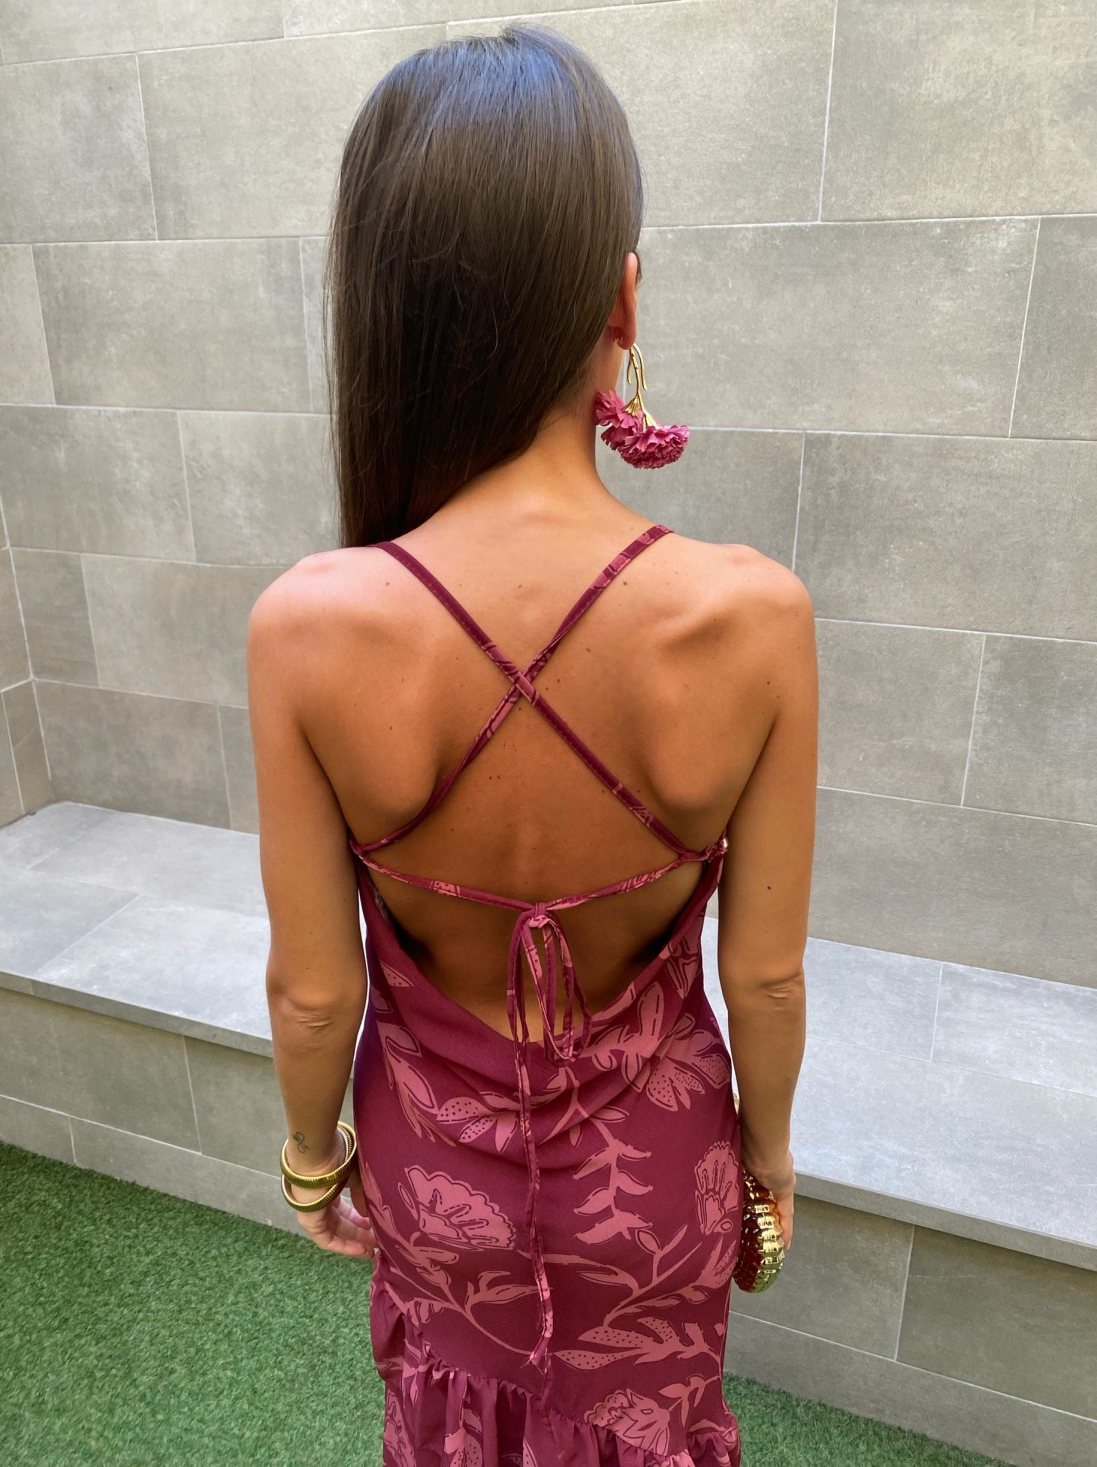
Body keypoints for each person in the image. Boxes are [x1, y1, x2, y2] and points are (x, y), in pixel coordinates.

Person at [247, 22, 815, 1466]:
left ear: (383, 311)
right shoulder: (753, 617)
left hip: (436, 1178)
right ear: (623, 298)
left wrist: (313, 1159)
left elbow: (314, 992)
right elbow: (763, 973)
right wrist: (765, 1162)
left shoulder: (309, 627)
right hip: (663, 1185)